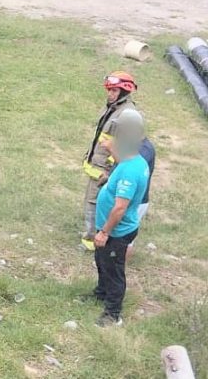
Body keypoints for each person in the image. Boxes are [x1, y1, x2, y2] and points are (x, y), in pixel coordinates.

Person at [92, 108, 149, 327]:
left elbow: (119, 208)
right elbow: (123, 163)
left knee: (114, 270)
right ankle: (101, 293)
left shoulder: (131, 171)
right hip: (110, 229)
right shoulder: (133, 160)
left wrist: (104, 233)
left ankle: (113, 314)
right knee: (102, 261)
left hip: (116, 231)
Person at [81, 71, 139, 252]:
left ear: (124, 91)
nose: (110, 94)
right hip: (98, 167)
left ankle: (92, 242)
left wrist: (112, 169)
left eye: (114, 90)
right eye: (109, 90)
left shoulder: (128, 114)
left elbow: (128, 149)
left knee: (95, 204)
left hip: (106, 170)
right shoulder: (113, 108)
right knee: (94, 203)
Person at [126, 137, 155, 262]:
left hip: (136, 201)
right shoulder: (133, 144)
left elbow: (131, 169)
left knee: (125, 238)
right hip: (132, 199)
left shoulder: (144, 149)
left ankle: (118, 267)